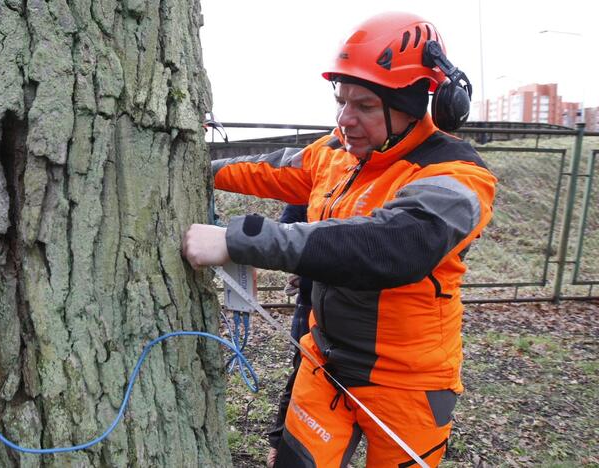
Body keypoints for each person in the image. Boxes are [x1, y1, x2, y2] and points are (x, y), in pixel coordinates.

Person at [182, 12, 497, 467]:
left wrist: (241, 240)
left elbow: (390, 248)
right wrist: (195, 167)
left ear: (412, 106)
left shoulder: (457, 177)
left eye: (365, 105)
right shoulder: (337, 153)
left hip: (409, 382)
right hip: (325, 364)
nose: (345, 119)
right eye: (341, 100)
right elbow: (272, 167)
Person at [266, 205, 312, 468]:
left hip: (351, 308)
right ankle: (280, 444)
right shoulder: (312, 184)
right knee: (301, 375)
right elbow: (286, 229)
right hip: (311, 304)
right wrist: (304, 275)